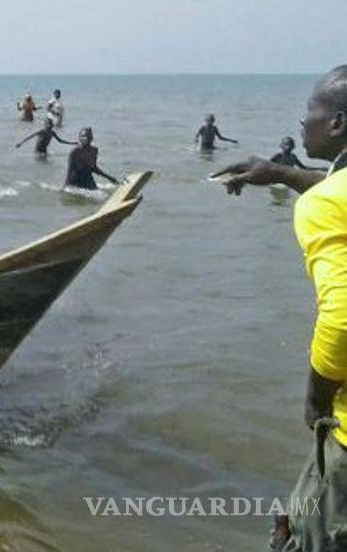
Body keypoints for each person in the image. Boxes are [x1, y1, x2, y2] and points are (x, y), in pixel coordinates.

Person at [211, 65, 347, 552]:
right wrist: (280, 173)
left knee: (305, 535)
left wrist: (316, 398)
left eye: (311, 109)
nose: (302, 119)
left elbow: (343, 315)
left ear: (337, 123)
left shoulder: (322, 204)